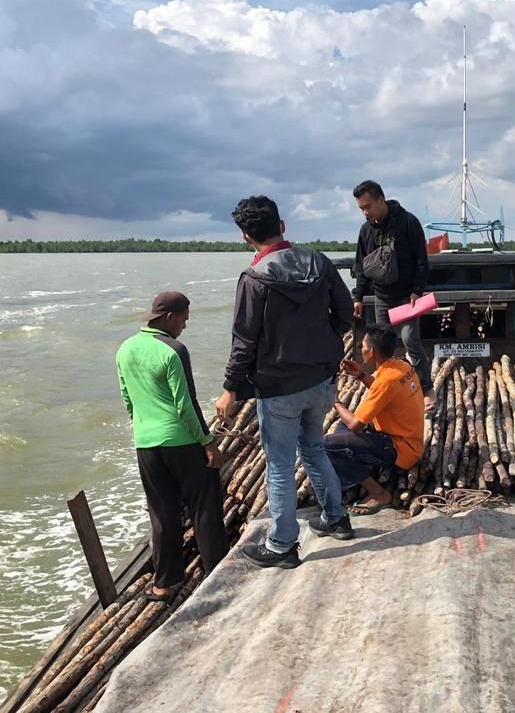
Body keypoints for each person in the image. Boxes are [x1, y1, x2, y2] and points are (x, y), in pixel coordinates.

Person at [214, 195, 355, 569]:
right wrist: (324, 345)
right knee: (314, 448)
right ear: (282, 226)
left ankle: (281, 545)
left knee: (279, 465)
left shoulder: (254, 278)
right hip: (321, 379)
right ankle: (336, 518)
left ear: (246, 237)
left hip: (279, 388)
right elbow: (344, 313)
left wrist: (230, 389)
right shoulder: (319, 263)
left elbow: (243, 342)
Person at [115, 291, 229, 601]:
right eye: (183, 319)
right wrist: (208, 443)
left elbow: (128, 399)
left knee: (162, 513)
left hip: (146, 444)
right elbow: (186, 405)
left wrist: (144, 429)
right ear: (169, 318)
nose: (184, 326)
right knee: (204, 507)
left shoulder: (125, 349)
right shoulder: (173, 350)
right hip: (181, 441)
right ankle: (217, 575)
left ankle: (165, 583)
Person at [319, 324, 424, 519]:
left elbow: (355, 425)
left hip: (400, 449)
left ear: (372, 351)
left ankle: (378, 493)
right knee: (342, 431)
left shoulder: (386, 380)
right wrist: (360, 375)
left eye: (363, 346)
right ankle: (347, 473)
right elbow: (384, 390)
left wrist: (335, 401)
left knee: (327, 445)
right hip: (406, 438)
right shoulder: (401, 366)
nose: (361, 349)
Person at [350, 179, 435, 413]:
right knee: (380, 346)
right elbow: (362, 265)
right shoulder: (366, 230)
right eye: (361, 208)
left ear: (381, 199)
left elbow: (421, 260)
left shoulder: (407, 222)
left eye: (368, 206)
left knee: (410, 340)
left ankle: (427, 389)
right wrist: (358, 296)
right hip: (381, 296)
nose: (365, 212)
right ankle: (383, 388)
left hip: (408, 297)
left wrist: (417, 290)